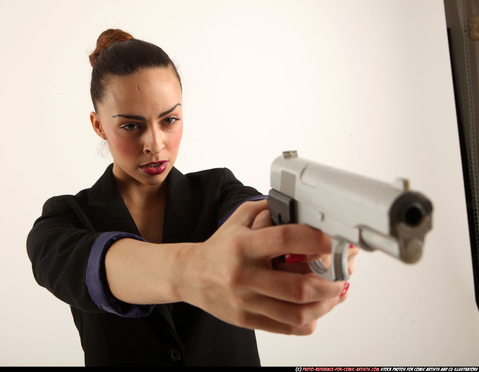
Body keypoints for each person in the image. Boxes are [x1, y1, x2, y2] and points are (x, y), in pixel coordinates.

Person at [27, 28, 358, 367]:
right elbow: (94, 269)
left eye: (169, 120)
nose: (155, 144)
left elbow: (250, 214)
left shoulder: (219, 190)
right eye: (131, 126)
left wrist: (289, 240)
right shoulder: (62, 222)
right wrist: (196, 271)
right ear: (98, 126)